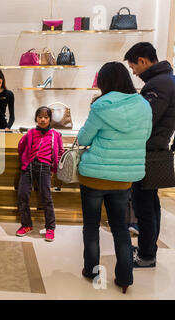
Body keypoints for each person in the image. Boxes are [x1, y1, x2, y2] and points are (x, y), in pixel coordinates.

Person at [77, 62, 152, 293]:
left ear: (105, 82)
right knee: (120, 227)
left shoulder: (102, 106)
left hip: (94, 176)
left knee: (91, 226)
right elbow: (146, 136)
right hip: (123, 178)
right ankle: (125, 276)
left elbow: (83, 138)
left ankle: (91, 270)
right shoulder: (144, 105)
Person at [124, 42, 175, 269]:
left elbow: (145, 120)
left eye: (133, 66)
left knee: (143, 204)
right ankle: (148, 249)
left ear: (143, 61)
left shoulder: (157, 85)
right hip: (157, 148)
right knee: (150, 203)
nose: (133, 72)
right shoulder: (167, 80)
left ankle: (146, 256)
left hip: (147, 151)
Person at [16, 107, 64, 241]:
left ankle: (50, 227)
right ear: (36, 118)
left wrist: (54, 169)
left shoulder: (55, 134)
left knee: (46, 197)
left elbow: (60, 151)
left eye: (46, 117)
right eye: (40, 117)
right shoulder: (31, 133)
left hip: (45, 168)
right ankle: (26, 225)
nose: (43, 120)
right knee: (22, 194)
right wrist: (25, 160)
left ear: (50, 119)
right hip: (29, 166)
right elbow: (21, 147)